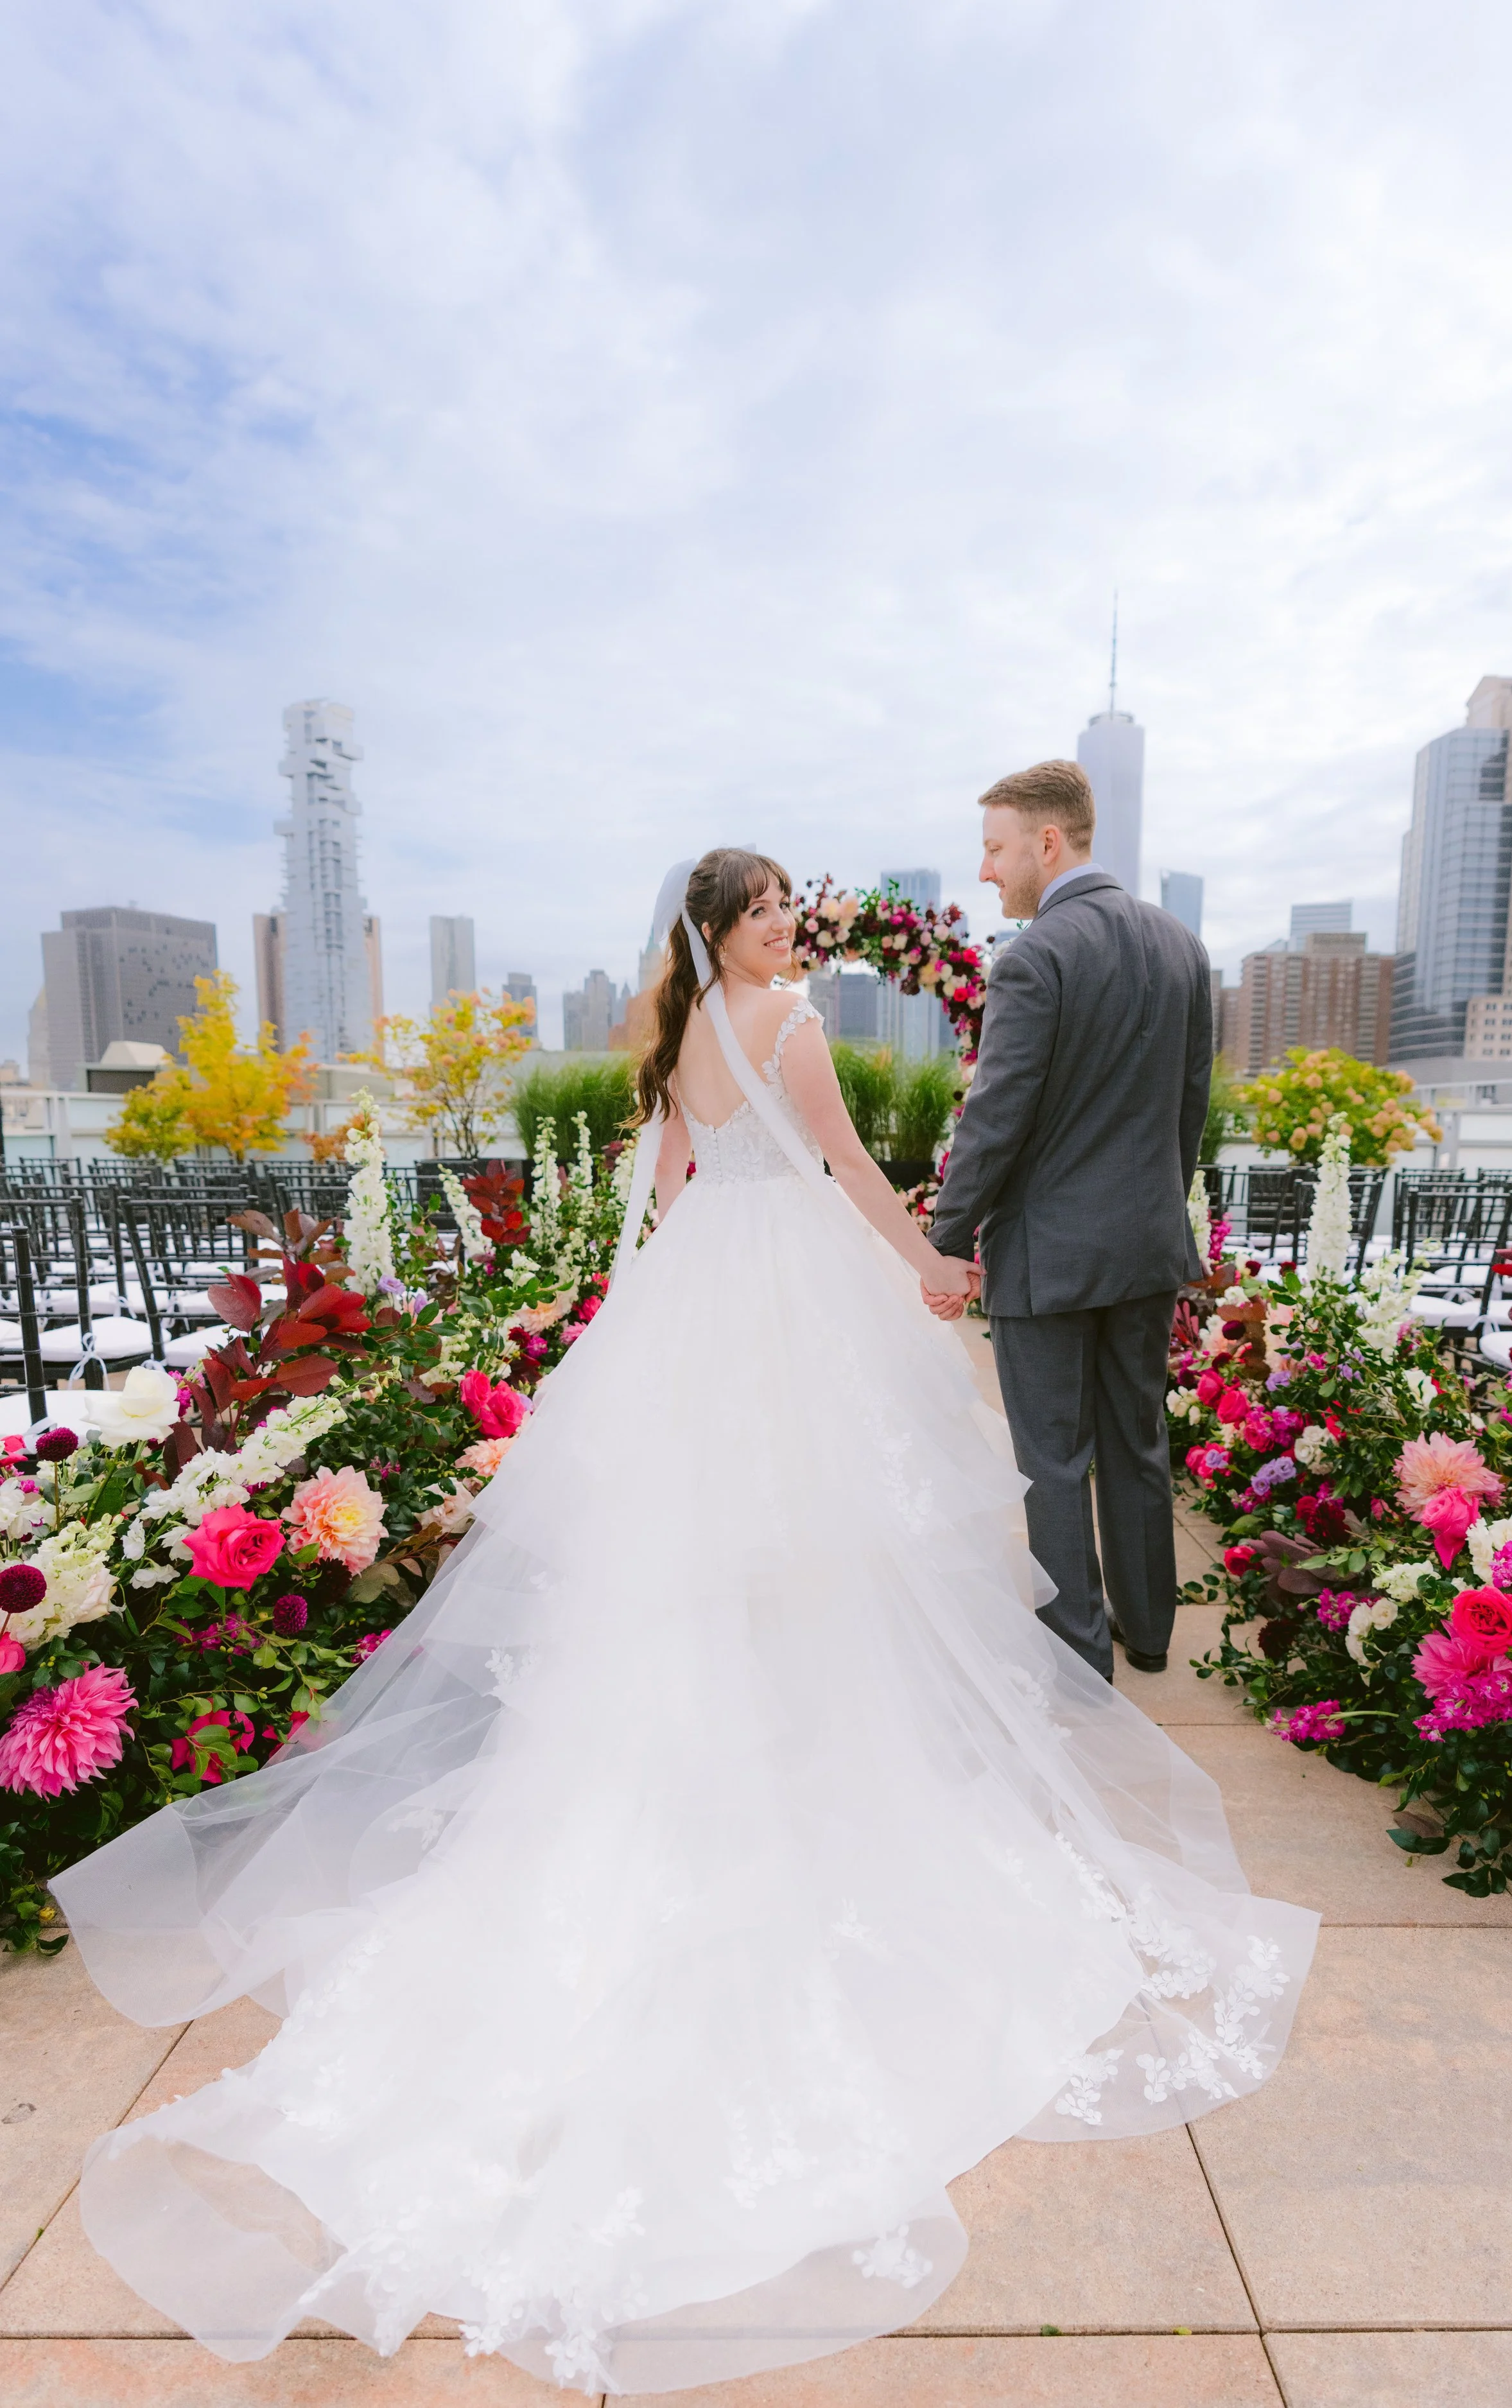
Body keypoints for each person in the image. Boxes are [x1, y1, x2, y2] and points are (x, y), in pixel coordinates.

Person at [53, 848, 1311, 2400]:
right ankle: (790, 1765)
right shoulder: (784, 1019)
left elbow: (658, 1197)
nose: (788, 924)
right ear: (729, 929)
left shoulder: (671, 1027)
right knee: (811, 1543)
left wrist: (626, 1335)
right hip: (787, 1296)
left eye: (790, 904)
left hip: (698, 1295)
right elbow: (849, 1168)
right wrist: (926, 1261)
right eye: (769, 907)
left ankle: (741, 1740)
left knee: (713, 1554)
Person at [925, 762, 1214, 1682]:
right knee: (1137, 1441)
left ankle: (1079, 1659)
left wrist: (942, 1241)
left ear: (1047, 843)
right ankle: (1151, 1630)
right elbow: (1190, 1110)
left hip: (1048, 1259)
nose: (986, 869)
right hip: (1146, 1246)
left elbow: (995, 1119)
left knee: (1052, 1457)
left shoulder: (1036, 957)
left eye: (995, 847)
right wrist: (1167, 1218)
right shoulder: (1181, 945)